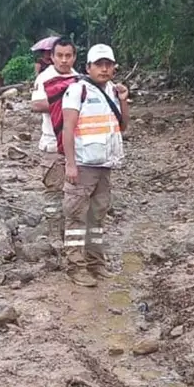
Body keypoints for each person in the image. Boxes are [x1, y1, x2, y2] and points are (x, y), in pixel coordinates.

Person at [60, 44, 129, 287]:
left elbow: (123, 126)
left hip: (104, 165)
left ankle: (96, 263)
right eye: (99, 64)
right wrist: (70, 164)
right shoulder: (77, 90)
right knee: (76, 217)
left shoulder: (113, 90)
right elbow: (67, 129)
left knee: (97, 217)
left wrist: (124, 101)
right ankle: (75, 267)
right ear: (88, 67)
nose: (104, 69)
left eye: (108, 64)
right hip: (83, 165)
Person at [31, 38, 80, 245]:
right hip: (52, 144)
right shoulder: (45, 78)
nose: (64, 60)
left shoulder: (79, 78)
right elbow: (36, 104)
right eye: (59, 55)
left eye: (68, 55)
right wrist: (63, 99)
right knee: (53, 192)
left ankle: (73, 237)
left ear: (74, 57)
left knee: (75, 193)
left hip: (77, 145)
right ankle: (54, 236)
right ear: (52, 57)